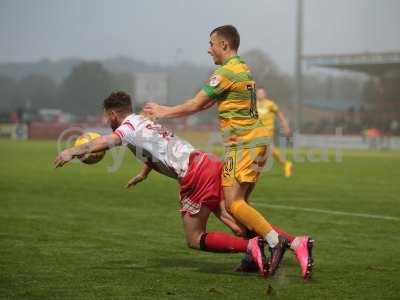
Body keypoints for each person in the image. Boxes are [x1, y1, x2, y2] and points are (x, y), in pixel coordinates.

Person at [54, 91, 313, 279]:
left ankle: (251, 247)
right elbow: (156, 148)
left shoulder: (126, 128)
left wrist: (71, 152)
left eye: (105, 118)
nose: (105, 122)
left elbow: (102, 142)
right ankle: (294, 243)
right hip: (205, 161)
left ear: (113, 114)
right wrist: (144, 173)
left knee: (194, 237)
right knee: (236, 219)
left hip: (193, 174)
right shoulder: (143, 121)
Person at [144, 25, 288, 275]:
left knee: (234, 204)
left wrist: (162, 111)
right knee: (239, 204)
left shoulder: (225, 73)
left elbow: (195, 104)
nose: (208, 48)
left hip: (245, 144)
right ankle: (256, 255)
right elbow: (205, 104)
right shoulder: (243, 69)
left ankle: (276, 242)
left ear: (224, 45)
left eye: (211, 43)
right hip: (251, 144)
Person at [256, 88, 293, 178]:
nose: (260, 94)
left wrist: (286, 126)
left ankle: (256, 171)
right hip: (256, 131)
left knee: (262, 149)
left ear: (265, 94)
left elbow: (280, 115)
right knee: (269, 150)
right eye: (258, 93)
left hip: (268, 131)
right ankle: (286, 164)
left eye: (261, 93)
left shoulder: (270, 104)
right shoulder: (254, 104)